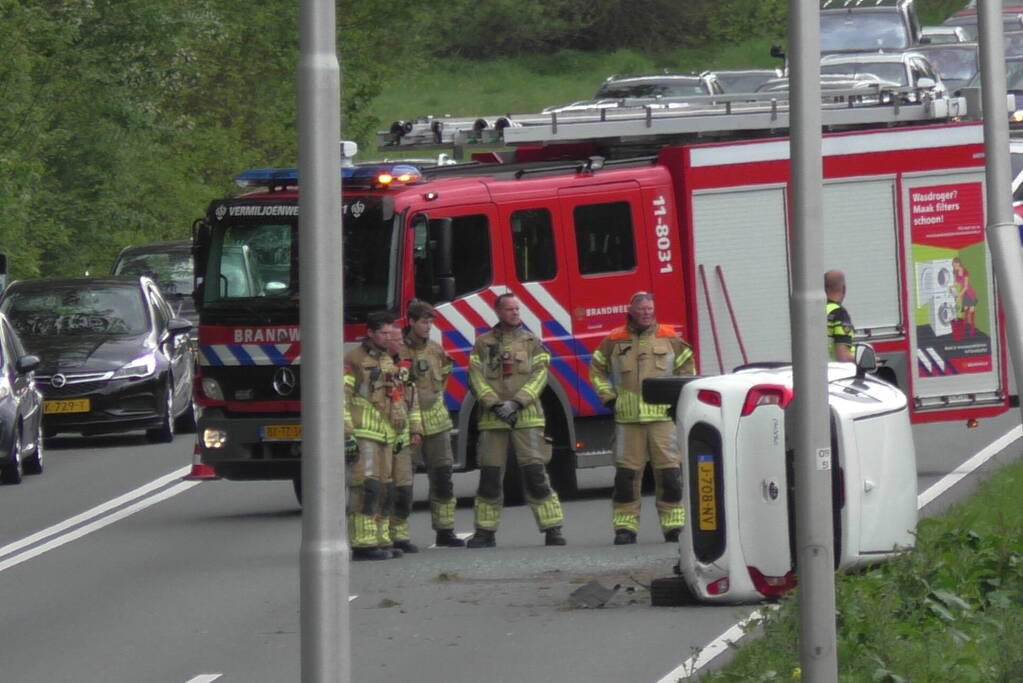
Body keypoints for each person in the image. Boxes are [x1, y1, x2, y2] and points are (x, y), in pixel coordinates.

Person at [589, 291, 695, 545]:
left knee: (670, 476)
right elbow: (596, 370)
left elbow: (687, 369)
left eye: (650, 308)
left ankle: (673, 526)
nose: (647, 312)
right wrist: (608, 397)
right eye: (642, 309)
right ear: (632, 310)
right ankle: (625, 528)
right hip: (628, 421)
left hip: (662, 419)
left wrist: (677, 399)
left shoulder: (670, 338)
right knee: (626, 477)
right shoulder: (615, 339)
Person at [465, 293, 566, 548]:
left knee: (535, 474)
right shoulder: (482, 344)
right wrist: (494, 404)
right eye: (509, 309)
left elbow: (540, 377)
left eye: (517, 309)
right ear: (498, 312)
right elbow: (475, 378)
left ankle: (553, 529)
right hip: (492, 419)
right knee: (490, 477)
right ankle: (485, 532)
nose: (515, 313)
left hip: (528, 418)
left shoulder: (533, 342)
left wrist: (517, 402)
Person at [343, 311, 421, 561]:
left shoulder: (389, 360)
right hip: (364, 431)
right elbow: (341, 397)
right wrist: (347, 433)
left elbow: (398, 399)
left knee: (386, 488)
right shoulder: (354, 359)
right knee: (367, 487)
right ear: (371, 334)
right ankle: (362, 543)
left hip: (387, 435)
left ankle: (380, 539)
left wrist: (403, 431)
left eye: (391, 333)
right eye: (384, 333)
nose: (389, 338)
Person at [399, 300, 465, 547]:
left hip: (437, 423)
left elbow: (444, 378)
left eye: (431, 322)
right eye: (424, 322)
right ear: (412, 322)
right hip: (407, 424)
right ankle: (400, 535)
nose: (428, 327)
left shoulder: (436, 350)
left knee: (443, 477)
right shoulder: (398, 352)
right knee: (404, 481)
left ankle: (445, 530)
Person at [384, 325, 424, 554]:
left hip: (403, 437)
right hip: (382, 436)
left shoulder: (404, 368)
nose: (400, 343)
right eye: (397, 339)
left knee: (404, 489)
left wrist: (416, 429)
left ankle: (400, 535)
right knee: (384, 490)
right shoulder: (376, 366)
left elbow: (413, 401)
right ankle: (383, 537)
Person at [825, 269, 855, 362]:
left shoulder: (814, 311)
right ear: (844, 288)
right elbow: (843, 357)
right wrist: (863, 361)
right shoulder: (839, 314)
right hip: (836, 373)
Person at [952, 257, 977, 337]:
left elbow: (966, 287)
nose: (954, 266)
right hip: (965, 294)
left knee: (971, 312)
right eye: (953, 265)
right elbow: (956, 283)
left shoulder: (965, 271)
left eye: (955, 264)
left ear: (959, 263)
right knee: (965, 312)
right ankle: (966, 331)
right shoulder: (955, 272)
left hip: (970, 293)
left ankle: (972, 331)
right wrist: (951, 287)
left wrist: (959, 295)